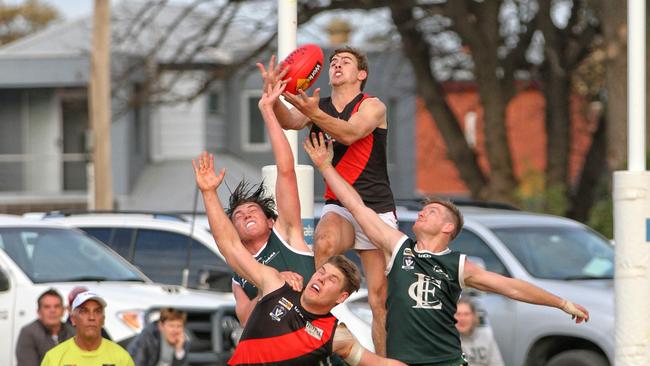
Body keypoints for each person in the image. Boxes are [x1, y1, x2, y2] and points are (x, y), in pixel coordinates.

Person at [304, 132, 590, 366]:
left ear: (447, 228)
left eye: (433, 212)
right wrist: (326, 166)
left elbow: (512, 287)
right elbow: (356, 206)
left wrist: (562, 303)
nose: (423, 213)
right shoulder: (399, 247)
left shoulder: (458, 265)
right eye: (424, 210)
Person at [192, 150, 405, 366]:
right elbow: (228, 245)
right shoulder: (274, 285)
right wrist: (209, 193)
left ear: (340, 298)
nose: (320, 279)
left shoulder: (336, 335)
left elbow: (381, 364)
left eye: (331, 280)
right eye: (321, 272)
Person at [258, 45, 395, 355]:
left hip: (375, 208)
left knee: (378, 299)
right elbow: (290, 121)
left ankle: (383, 359)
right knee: (324, 243)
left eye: (345, 61)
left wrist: (311, 112)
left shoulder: (373, 106)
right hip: (340, 205)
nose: (337, 64)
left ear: (361, 75)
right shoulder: (316, 105)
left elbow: (349, 133)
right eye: (333, 61)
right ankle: (315, 332)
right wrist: (274, 93)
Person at [226, 80, 315, 327]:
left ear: (270, 221)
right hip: (272, 347)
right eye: (238, 216)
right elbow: (245, 318)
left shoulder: (286, 234)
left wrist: (267, 110)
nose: (245, 215)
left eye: (252, 210)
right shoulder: (239, 272)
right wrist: (272, 282)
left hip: (310, 335)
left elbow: (286, 171)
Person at [40, 291, 134, 366]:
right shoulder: (54, 358)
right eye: (84, 311)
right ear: (73, 319)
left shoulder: (121, 358)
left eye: (97, 311)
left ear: (103, 320)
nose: (91, 317)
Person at [15, 289, 74, 366]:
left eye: (57, 306)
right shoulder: (28, 333)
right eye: (47, 307)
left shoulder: (73, 332)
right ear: (39, 312)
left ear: (63, 311)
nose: (52, 310)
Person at [455, 298, 504, 366]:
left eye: (466, 314)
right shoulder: (444, 339)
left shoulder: (486, 334)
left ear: (474, 316)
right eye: (458, 314)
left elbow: (497, 363)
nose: (462, 318)